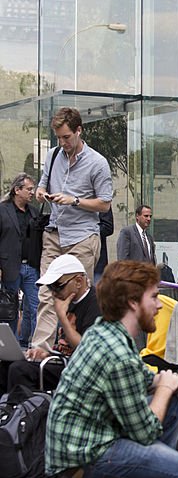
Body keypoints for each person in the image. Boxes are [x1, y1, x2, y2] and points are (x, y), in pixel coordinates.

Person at [45, 260, 178, 478]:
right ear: (134, 303)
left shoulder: (105, 330)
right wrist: (167, 389)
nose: (160, 305)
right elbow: (145, 433)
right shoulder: (118, 353)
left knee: (173, 407)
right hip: (86, 455)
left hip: (81, 444)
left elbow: (145, 380)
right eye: (155, 297)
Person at [33, 107, 112, 352]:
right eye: (59, 137)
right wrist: (41, 194)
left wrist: (74, 200)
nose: (62, 142)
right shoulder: (53, 155)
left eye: (66, 137)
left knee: (76, 296)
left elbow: (105, 202)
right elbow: (40, 187)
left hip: (82, 238)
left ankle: (79, 350)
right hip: (54, 234)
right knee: (46, 294)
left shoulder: (97, 163)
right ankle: (40, 350)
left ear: (79, 131)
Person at [8, 255, 100, 392]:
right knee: (7, 365)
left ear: (79, 281)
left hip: (82, 370)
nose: (54, 293)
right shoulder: (67, 300)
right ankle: (7, 410)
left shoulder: (95, 304)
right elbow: (64, 347)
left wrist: (62, 317)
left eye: (58, 286)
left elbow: (87, 350)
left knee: (20, 370)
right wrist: (47, 355)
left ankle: (25, 410)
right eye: (50, 288)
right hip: (65, 362)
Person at [0, 172, 40, 346]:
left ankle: (37, 344)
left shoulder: (34, 212)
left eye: (33, 189)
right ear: (17, 190)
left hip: (31, 267)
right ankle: (11, 347)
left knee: (37, 306)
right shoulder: (2, 210)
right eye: (29, 189)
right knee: (10, 309)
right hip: (9, 267)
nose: (32, 192)